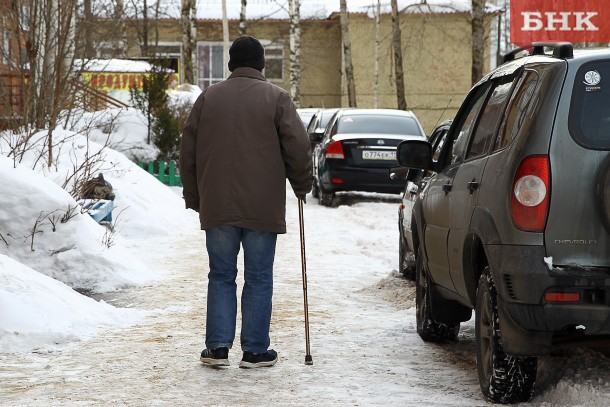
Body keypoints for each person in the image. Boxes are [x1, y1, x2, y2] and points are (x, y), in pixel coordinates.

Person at [179, 35, 312, 369]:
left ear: (230, 64)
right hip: (262, 206)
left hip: (218, 207)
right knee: (259, 277)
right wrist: (301, 184)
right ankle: (254, 351)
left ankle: (218, 349)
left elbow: (188, 153)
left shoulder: (208, 98)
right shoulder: (277, 98)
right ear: (262, 64)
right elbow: (297, 146)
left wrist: (195, 197)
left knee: (221, 275)